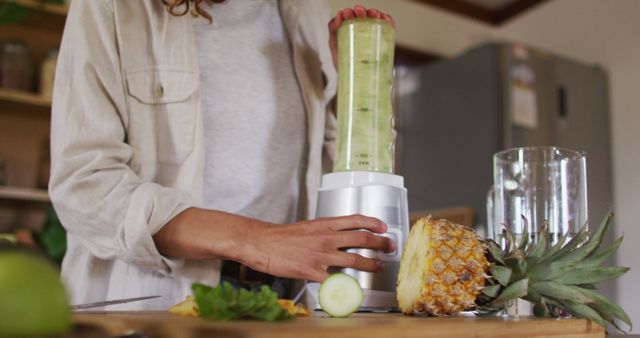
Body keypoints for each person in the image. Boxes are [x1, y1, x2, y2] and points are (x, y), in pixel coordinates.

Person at [49, 0, 395, 310]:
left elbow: (331, 164)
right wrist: (253, 240)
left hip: (287, 298)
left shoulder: (307, 10)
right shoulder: (114, 6)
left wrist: (357, 86)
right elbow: (84, 184)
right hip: (158, 298)